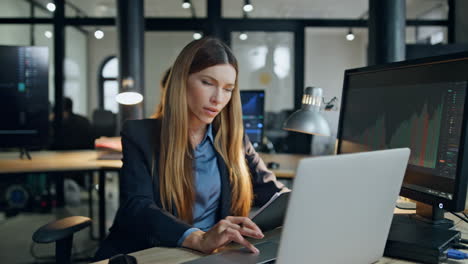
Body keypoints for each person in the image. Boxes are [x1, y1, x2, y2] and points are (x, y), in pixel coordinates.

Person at [94, 37, 287, 260]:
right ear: (181, 81)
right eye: (207, 83)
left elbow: (273, 193)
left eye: (227, 89)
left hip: (210, 255)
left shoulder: (233, 139)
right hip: (150, 252)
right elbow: (137, 207)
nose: (217, 98)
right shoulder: (140, 135)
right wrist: (198, 239)